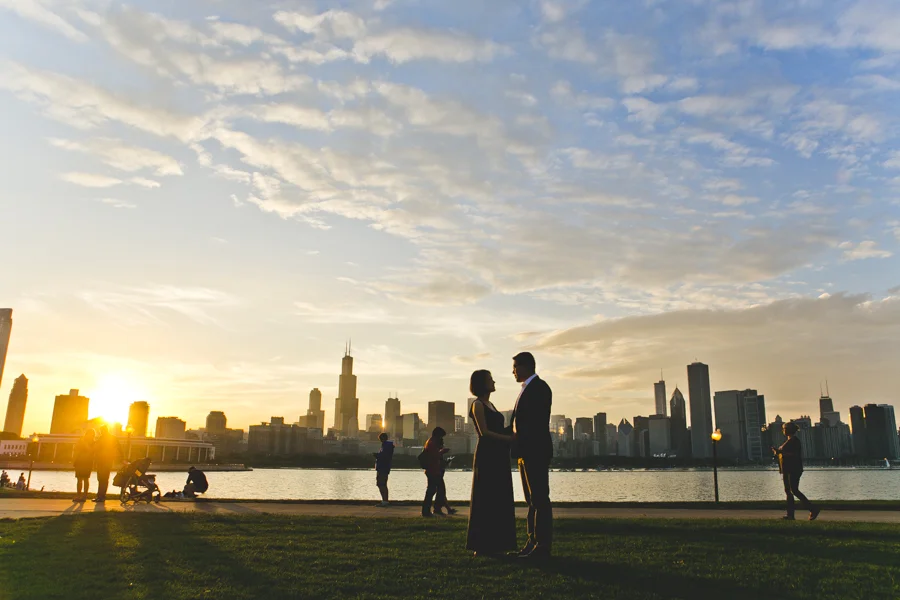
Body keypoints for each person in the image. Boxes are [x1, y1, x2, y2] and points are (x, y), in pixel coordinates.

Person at [465, 370, 516, 557]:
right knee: (486, 497)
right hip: (487, 454)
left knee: (498, 497)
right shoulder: (477, 404)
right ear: (481, 383)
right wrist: (508, 439)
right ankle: (481, 545)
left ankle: (498, 544)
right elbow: (484, 432)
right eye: (490, 379)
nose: (494, 382)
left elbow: (497, 429)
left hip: (499, 453)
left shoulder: (491, 405)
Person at [510, 351, 554, 560]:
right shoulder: (527, 389)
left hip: (535, 450)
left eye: (515, 367)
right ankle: (532, 541)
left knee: (539, 498)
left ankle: (542, 545)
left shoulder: (540, 388)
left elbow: (535, 422)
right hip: (526, 452)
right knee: (531, 499)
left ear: (525, 366)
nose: (513, 372)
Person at [773, 422, 821, 521]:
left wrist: (780, 452)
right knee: (788, 491)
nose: (783, 430)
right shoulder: (788, 441)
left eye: (784, 428)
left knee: (794, 490)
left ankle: (813, 509)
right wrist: (778, 452)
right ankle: (790, 515)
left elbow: (794, 454)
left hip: (793, 468)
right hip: (786, 469)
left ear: (789, 430)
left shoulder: (794, 441)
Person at [421, 427, 450, 517]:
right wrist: (442, 452)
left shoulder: (430, 442)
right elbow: (434, 455)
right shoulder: (432, 443)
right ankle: (430, 510)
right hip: (433, 470)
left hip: (433, 470)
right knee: (435, 490)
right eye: (441, 436)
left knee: (433, 490)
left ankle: (430, 510)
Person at [93, 425, 121, 503]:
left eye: (101, 431)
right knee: (104, 479)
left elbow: (96, 449)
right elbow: (119, 448)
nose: (100, 432)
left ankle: (100, 496)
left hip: (102, 461)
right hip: (108, 461)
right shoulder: (113, 438)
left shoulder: (101, 438)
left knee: (101, 479)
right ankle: (102, 496)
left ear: (103, 430)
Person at [73, 429, 95, 502]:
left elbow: (91, 451)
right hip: (79, 462)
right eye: (88, 434)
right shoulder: (81, 441)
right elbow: (76, 450)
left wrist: (85, 443)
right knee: (79, 479)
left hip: (88, 462)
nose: (90, 436)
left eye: (91, 434)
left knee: (86, 479)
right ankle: (78, 495)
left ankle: (84, 496)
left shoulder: (93, 443)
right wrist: (74, 460)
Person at [374, 432, 394, 507]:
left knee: (381, 484)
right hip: (383, 467)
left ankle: (385, 501)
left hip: (383, 468)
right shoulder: (386, 446)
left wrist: (377, 456)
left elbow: (384, 457)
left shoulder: (386, 446)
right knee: (381, 484)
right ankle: (385, 500)